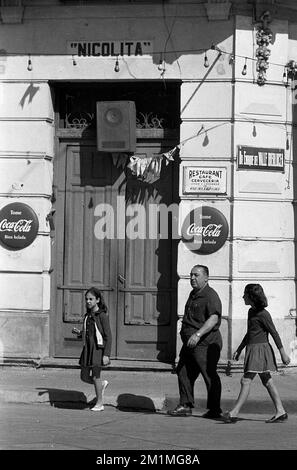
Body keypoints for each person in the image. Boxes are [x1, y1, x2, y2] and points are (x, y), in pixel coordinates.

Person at [223, 283, 291, 424]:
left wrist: (283, 353)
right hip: (252, 349)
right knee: (267, 380)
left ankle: (234, 413)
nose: (243, 297)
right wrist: (240, 348)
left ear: (252, 297)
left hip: (260, 350)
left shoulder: (263, 314)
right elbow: (250, 333)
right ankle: (281, 411)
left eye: (245, 295)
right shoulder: (251, 312)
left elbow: (274, 333)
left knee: (246, 380)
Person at [168, 264, 223, 418]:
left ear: (206, 277)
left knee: (208, 374)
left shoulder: (210, 295)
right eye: (191, 275)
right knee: (183, 371)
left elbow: (213, 318)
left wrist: (197, 334)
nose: (192, 278)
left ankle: (215, 409)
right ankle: (185, 405)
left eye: (196, 275)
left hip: (204, 342)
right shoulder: (194, 293)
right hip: (190, 343)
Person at [73, 287, 112, 411]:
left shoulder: (102, 316)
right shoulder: (87, 315)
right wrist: (80, 333)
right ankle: (101, 385)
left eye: (91, 299)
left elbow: (108, 336)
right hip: (87, 349)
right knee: (84, 376)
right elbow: (89, 333)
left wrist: (106, 354)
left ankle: (100, 403)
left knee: (96, 376)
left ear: (98, 300)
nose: (88, 301)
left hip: (97, 349)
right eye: (86, 299)